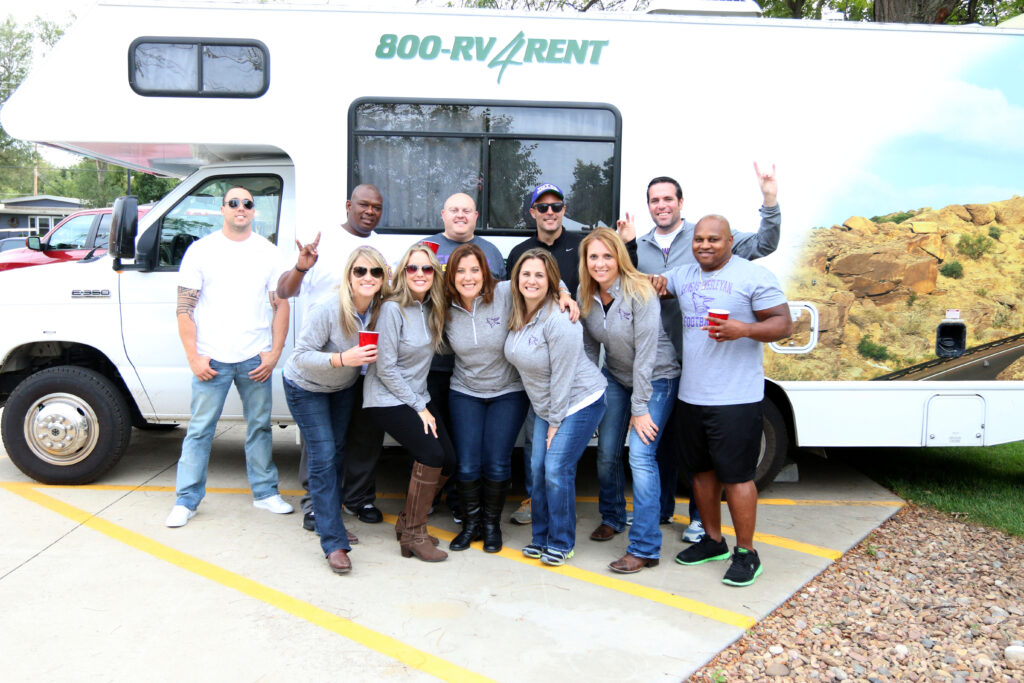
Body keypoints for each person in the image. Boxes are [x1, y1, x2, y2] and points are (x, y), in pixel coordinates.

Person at [618, 164, 780, 543]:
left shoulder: (706, 236)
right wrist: (625, 247)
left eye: (667, 199)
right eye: (654, 200)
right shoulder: (640, 246)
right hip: (664, 363)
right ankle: (669, 515)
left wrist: (769, 200)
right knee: (677, 450)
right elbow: (631, 283)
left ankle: (703, 526)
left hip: (713, 369)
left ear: (680, 203)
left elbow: (764, 245)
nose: (661, 206)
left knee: (714, 462)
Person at [666, 215, 792, 587]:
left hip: (736, 398)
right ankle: (713, 541)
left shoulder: (753, 275)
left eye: (714, 240)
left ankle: (747, 552)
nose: (705, 245)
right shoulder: (683, 275)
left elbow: (784, 324)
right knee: (701, 474)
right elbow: (650, 284)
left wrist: (745, 329)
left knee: (737, 477)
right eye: (699, 239)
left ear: (730, 241)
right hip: (692, 395)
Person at [166, 186, 292, 527]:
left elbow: (281, 304)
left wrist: (274, 353)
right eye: (234, 203)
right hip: (212, 358)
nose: (241, 208)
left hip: (254, 357)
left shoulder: (268, 252)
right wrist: (194, 357)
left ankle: (266, 494)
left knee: (260, 429)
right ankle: (186, 500)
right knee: (199, 430)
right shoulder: (201, 251)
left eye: (247, 204)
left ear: (254, 212)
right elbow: (184, 308)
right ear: (222, 209)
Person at [277, 184, 388, 530]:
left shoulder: (379, 251)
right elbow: (284, 291)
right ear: (348, 205)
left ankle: (356, 498)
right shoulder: (322, 244)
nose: (370, 211)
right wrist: (301, 266)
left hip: (359, 366)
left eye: (377, 207)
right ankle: (315, 504)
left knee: (356, 439)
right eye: (363, 205)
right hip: (321, 363)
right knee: (321, 443)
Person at [577, 228, 681, 574]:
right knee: (607, 452)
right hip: (618, 378)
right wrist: (589, 400)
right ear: (585, 261)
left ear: (619, 257)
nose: (600, 263)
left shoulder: (640, 291)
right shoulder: (585, 293)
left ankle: (645, 547)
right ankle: (613, 517)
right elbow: (590, 351)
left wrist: (640, 409)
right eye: (594, 256)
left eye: (607, 256)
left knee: (640, 453)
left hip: (656, 378)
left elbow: (648, 354)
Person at [505, 249, 607, 567]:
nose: (532, 280)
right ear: (516, 279)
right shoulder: (518, 311)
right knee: (536, 471)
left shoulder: (560, 319)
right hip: (545, 405)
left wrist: (554, 423)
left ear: (550, 280)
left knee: (556, 469)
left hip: (578, 401)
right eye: (526, 274)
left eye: (540, 275)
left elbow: (562, 377)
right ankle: (541, 537)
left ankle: (562, 542)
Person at [363, 243, 456, 562]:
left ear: (435, 274)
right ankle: (415, 533)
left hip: (415, 396)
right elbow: (385, 367)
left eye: (427, 268)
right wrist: (420, 407)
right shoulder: (392, 309)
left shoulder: (432, 307)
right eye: (412, 268)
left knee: (450, 459)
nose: (419, 273)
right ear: (403, 273)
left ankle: (406, 524)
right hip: (386, 398)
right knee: (431, 454)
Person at [505, 182, 585, 527]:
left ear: (564, 210)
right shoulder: (520, 252)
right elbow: (511, 295)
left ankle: (560, 497)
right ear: (533, 212)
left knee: (562, 431)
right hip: (532, 358)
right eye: (543, 207)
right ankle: (532, 497)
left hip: (571, 352)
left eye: (557, 206)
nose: (550, 212)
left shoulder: (581, 246)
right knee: (534, 434)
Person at [425, 192, 508, 522]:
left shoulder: (491, 252)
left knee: (464, 443)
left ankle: (461, 503)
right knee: (433, 439)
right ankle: (428, 493)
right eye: (454, 210)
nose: (460, 215)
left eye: (467, 210)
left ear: (476, 216)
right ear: (443, 214)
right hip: (433, 362)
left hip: (473, 366)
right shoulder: (426, 249)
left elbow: (501, 299)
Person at [443, 243, 529, 553]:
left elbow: (544, 278)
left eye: (474, 270)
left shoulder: (505, 293)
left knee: (495, 463)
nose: (468, 277)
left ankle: (492, 527)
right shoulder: (443, 306)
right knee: (466, 465)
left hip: (508, 392)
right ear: (451, 276)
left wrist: (564, 296)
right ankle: (471, 525)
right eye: (461, 271)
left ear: (486, 272)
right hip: (465, 391)